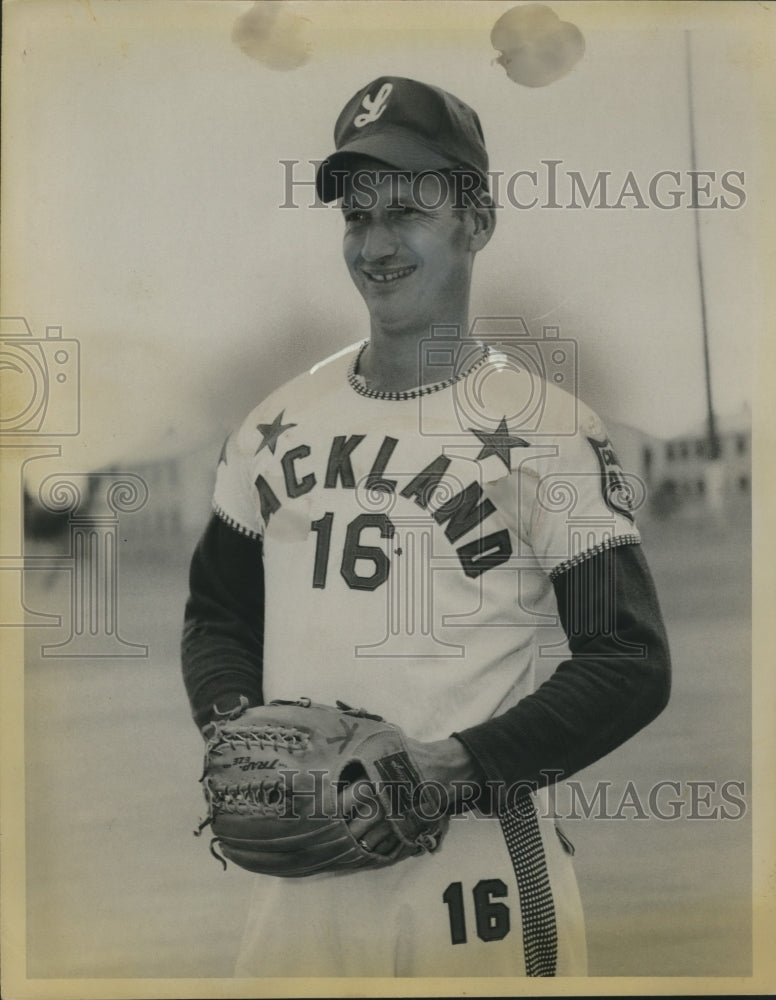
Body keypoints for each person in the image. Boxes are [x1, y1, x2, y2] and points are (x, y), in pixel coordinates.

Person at [181, 76, 671, 978]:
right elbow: (216, 613)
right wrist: (235, 730)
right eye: (356, 218)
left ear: (477, 221)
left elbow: (629, 662)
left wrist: (452, 765)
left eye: (406, 209)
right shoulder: (272, 425)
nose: (376, 244)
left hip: (475, 871)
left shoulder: (550, 432)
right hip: (299, 877)